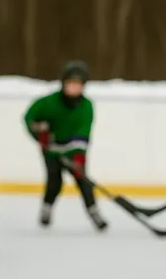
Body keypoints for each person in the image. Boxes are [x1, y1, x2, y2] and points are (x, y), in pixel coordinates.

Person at [23, 60, 107, 231]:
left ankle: (94, 213)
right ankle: (46, 210)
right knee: (55, 182)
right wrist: (40, 135)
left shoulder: (86, 106)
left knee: (84, 182)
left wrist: (78, 156)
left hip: (73, 152)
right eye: (71, 83)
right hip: (52, 152)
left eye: (78, 84)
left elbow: (83, 132)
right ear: (63, 83)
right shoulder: (48, 103)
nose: (74, 87)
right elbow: (29, 118)